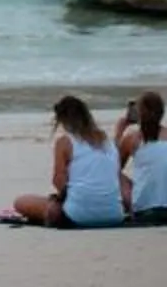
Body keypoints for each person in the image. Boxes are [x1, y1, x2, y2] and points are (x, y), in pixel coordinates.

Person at [11, 94, 125, 225]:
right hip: (114, 213)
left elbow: (58, 180)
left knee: (21, 201)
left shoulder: (65, 141)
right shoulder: (107, 141)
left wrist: (62, 197)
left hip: (78, 215)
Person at [116, 90, 167, 216]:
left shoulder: (133, 138)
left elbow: (110, 165)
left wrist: (119, 131)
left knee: (115, 174)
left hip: (146, 208)